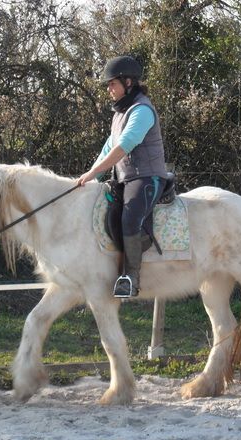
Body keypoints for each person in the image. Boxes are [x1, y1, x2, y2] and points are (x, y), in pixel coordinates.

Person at [77, 56, 167, 298]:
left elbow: (124, 146)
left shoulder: (142, 110)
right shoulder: (119, 114)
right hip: (124, 179)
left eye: (112, 84)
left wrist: (94, 172)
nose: (109, 90)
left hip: (147, 179)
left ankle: (131, 278)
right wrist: (90, 179)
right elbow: (108, 149)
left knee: (130, 219)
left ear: (128, 82)